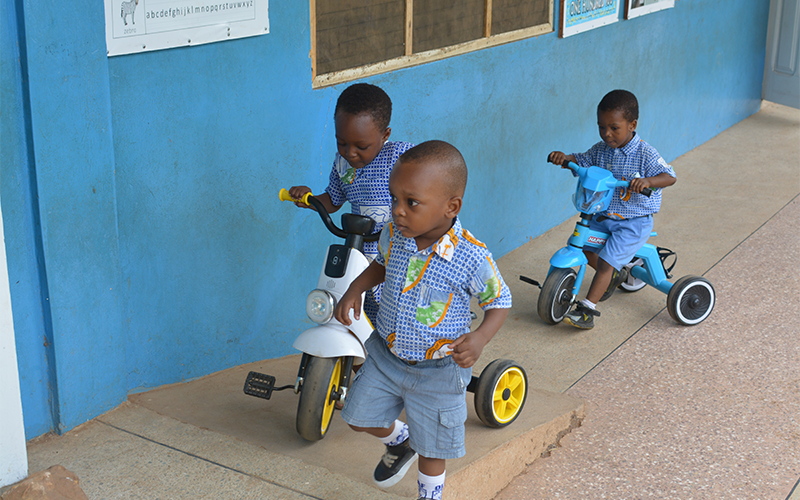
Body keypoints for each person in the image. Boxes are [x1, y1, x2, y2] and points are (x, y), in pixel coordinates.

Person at [333, 141, 512, 500]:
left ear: (451, 206)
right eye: (394, 198)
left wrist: (479, 339)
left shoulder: (470, 256)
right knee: (355, 417)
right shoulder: (394, 234)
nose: (397, 211)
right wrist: (355, 288)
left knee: (433, 450)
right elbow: (380, 266)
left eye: (411, 202)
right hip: (386, 356)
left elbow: (500, 300)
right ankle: (400, 441)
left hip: (439, 371)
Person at [548, 89, 676, 329]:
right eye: (601, 127)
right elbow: (582, 161)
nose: (607, 134)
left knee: (606, 262)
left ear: (632, 124)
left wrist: (648, 182)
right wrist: (564, 158)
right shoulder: (601, 149)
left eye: (614, 128)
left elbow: (669, 176)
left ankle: (587, 309)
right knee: (583, 245)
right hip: (603, 215)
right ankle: (615, 275)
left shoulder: (644, 153)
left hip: (633, 221)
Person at [289, 83, 414, 321]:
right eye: (341, 143)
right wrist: (310, 199)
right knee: (360, 307)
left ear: (385, 135)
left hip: (399, 247)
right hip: (360, 250)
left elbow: (427, 184)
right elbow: (333, 200)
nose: (350, 153)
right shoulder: (342, 164)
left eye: (362, 146)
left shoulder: (400, 157)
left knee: (400, 308)